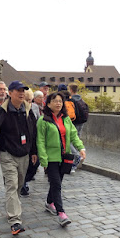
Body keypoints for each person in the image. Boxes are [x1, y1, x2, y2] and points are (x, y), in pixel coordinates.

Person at [0, 81, 38, 235]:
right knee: (12, 185)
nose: (22, 94)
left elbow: (32, 133)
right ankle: (15, 220)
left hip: (24, 154)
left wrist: (34, 151)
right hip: (7, 154)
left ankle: (12, 207)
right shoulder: (2, 111)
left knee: (19, 185)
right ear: (11, 93)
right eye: (18, 91)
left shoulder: (28, 111)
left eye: (23, 91)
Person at [36, 92, 86, 227]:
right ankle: (61, 214)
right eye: (55, 101)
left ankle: (49, 203)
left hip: (65, 156)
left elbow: (74, 135)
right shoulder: (43, 120)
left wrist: (81, 148)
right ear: (49, 103)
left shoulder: (66, 118)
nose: (58, 103)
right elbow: (40, 141)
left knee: (56, 183)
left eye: (60, 101)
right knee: (56, 184)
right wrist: (43, 159)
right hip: (51, 158)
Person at [20, 89, 41, 197]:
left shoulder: (34, 108)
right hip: (20, 143)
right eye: (26, 100)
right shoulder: (18, 110)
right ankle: (22, 185)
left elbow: (37, 122)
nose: (29, 103)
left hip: (32, 141)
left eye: (30, 100)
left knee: (35, 164)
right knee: (22, 166)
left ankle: (24, 181)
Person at [68, 82, 88, 172]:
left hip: (74, 122)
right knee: (77, 139)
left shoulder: (71, 100)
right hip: (82, 122)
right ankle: (79, 155)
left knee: (70, 140)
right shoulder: (81, 99)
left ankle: (76, 157)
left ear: (71, 90)